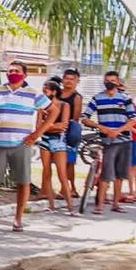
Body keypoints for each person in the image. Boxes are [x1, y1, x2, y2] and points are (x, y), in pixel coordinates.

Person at [0, 60, 49, 230]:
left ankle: (18, 218)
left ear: (25, 75)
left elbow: (53, 111)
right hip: (0, 143)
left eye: (17, 70)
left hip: (22, 144)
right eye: (10, 70)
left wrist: (37, 134)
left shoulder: (33, 93)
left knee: (22, 182)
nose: (13, 73)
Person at [81, 71, 136, 215]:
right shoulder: (97, 98)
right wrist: (101, 127)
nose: (109, 83)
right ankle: (99, 205)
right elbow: (85, 117)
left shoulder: (126, 99)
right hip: (107, 141)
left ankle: (116, 204)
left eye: (112, 80)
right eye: (107, 80)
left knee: (120, 174)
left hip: (124, 140)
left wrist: (118, 130)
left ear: (118, 82)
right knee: (106, 174)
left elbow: (133, 120)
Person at [38, 77, 75, 214]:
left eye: (46, 90)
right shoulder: (41, 107)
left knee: (61, 173)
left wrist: (47, 126)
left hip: (59, 141)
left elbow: (64, 126)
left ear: (54, 92)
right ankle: (51, 203)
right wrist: (51, 126)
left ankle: (70, 206)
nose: (43, 92)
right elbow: (38, 126)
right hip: (45, 140)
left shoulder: (64, 105)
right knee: (46, 172)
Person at [58, 68, 84, 197]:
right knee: (58, 162)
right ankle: (65, 188)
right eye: (66, 78)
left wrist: (64, 126)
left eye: (72, 79)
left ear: (77, 81)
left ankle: (71, 188)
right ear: (62, 79)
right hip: (55, 131)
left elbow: (76, 118)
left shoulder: (77, 97)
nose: (68, 81)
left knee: (70, 162)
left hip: (70, 132)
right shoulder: (57, 93)